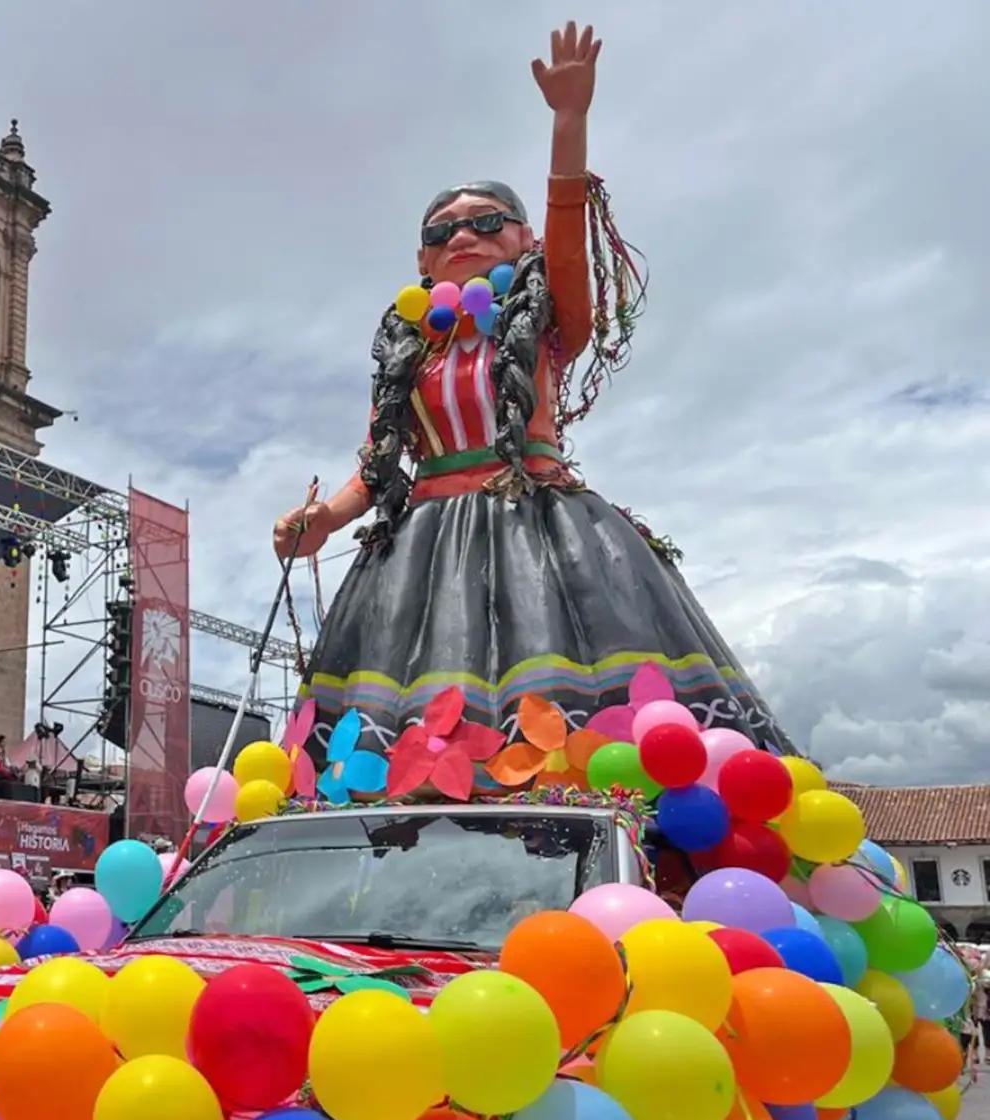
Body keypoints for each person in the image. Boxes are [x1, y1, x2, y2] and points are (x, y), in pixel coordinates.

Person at [272, 22, 791, 761]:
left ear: (522, 240)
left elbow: (569, 232)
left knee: (570, 689)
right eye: (442, 231)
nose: (463, 236)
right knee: (409, 714)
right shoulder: (407, 352)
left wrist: (568, 122)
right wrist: (325, 517)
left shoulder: (545, 322)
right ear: (421, 259)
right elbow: (379, 465)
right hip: (421, 543)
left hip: (539, 520)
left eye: (487, 222)